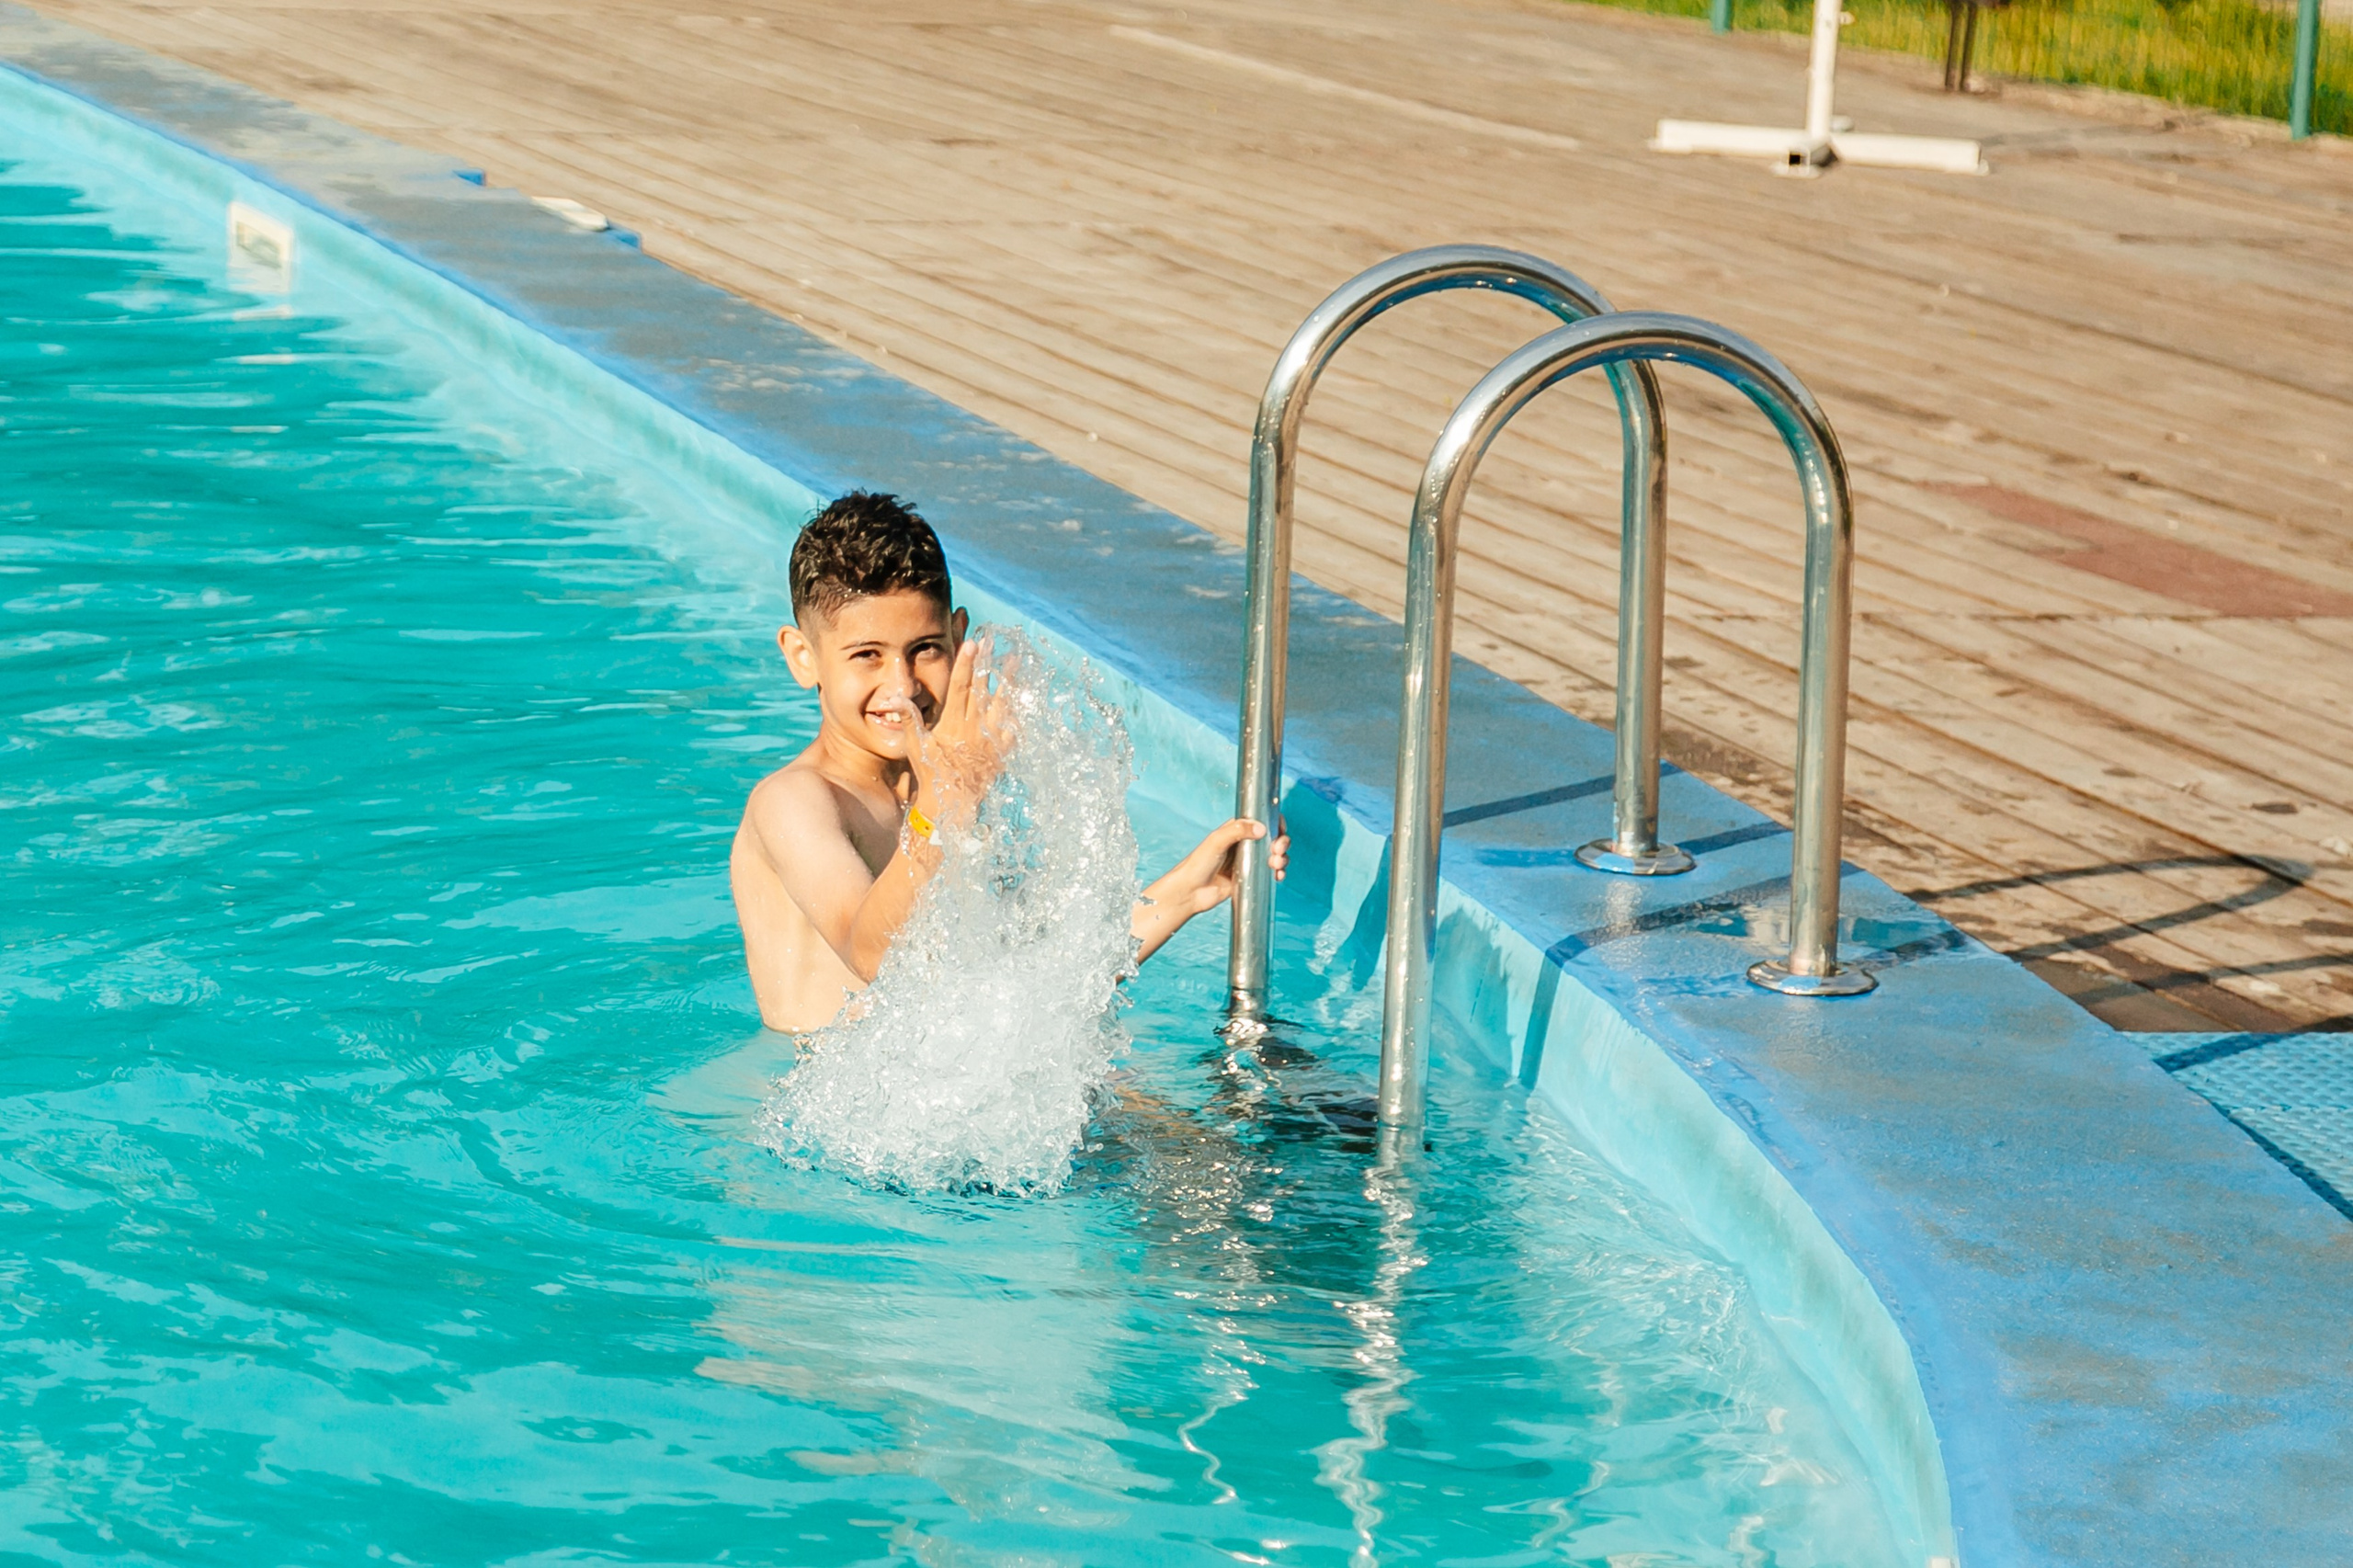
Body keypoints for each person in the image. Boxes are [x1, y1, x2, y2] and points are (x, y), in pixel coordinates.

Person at [731, 492, 1286, 1033]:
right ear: (804, 657)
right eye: (867, 656)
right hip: (830, 1112)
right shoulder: (797, 803)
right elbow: (873, 956)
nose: (901, 686)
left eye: (925, 648)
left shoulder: (948, 780)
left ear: (957, 636)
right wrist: (944, 803)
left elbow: (1029, 982)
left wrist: (1188, 891)